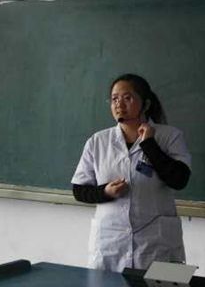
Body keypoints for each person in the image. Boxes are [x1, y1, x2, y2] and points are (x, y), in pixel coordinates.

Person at [71, 74, 191, 272]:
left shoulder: (170, 136)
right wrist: (105, 192)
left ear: (146, 104)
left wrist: (149, 144)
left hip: (159, 243)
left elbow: (179, 180)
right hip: (110, 245)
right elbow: (79, 190)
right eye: (114, 99)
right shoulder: (98, 141)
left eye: (127, 98)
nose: (119, 104)